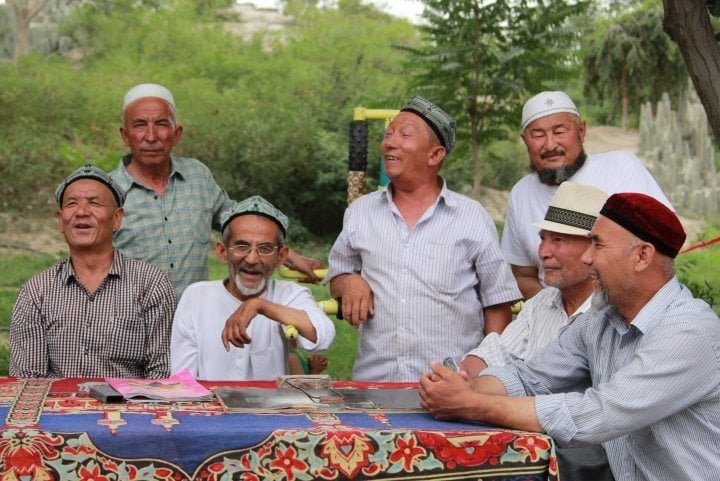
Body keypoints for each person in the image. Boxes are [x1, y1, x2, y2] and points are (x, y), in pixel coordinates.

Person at [420, 193, 720, 481]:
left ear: (642, 256)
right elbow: (530, 378)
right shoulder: (600, 320)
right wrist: (467, 385)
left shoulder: (687, 332)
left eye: (597, 245)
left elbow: (598, 414)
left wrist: (472, 404)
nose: (587, 258)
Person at [326, 96, 521, 382]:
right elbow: (337, 276)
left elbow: (497, 304)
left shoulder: (471, 217)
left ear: (434, 155)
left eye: (404, 135)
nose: (389, 143)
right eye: (388, 134)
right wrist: (349, 281)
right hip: (374, 388)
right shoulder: (360, 212)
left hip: (452, 388)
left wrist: (483, 374)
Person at [460, 181, 614, 481]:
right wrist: (459, 378)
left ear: (592, 249)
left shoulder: (611, 313)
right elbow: (494, 354)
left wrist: (472, 396)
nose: (543, 252)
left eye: (558, 240)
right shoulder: (542, 302)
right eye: (543, 239)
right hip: (525, 456)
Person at [110, 82, 323, 297]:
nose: (151, 136)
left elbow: (241, 222)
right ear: (125, 135)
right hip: (132, 326)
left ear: (176, 133)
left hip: (192, 324)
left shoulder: (198, 177)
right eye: (139, 125)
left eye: (162, 124)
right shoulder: (107, 192)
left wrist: (292, 258)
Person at [502, 90, 672, 300]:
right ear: (525, 140)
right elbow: (523, 274)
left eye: (560, 131)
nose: (550, 145)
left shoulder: (622, 169)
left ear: (582, 131)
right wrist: (554, 316)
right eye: (538, 135)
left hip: (627, 313)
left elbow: (662, 248)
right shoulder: (521, 194)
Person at [10, 164, 176, 378]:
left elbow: (161, 374)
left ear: (117, 218)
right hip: (58, 410)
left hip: (130, 410)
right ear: (61, 220)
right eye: (72, 204)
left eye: (94, 202)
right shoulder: (36, 291)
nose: (81, 212)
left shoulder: (150, 284)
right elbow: (28, 381)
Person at [171, 195, 335, 380]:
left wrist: (259, 305)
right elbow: (182, 378)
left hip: (272, 409)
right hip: (209, 407)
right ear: (223, 252)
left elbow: (322, 336)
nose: (252, 259)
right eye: (242, 246)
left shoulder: (289, 294)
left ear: (281, 257)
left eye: (265, 249)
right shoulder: (197, 296)